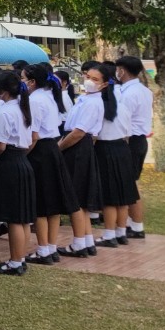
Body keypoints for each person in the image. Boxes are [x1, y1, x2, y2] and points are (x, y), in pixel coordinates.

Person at [0, 70, 37, 276]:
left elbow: (0, 145)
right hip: (22, 160)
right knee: (22, 218)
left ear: (1, 91)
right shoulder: (23, 107)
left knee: (13, 218)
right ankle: (20, 259)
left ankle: (15, 262)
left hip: (10, 163)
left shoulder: (5, 112)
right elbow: (31, 140)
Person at [23, 65, 78, 264]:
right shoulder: (48, 96)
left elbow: (34, 136)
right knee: (52, 204)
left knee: (41, 204)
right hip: (51, 149)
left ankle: (43, 250)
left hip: (40, 152)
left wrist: (23, 155)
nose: (22, 82)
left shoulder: (35, 100)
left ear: (32, 82)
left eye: (23, 78)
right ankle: (50, 247)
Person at [55, 67, 106, 258]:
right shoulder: (86, 99)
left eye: (95, 79)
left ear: (104, 84)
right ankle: (87, 240)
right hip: (78, 145)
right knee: (80, 199)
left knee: (75, 198)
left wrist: (59, 148)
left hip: (77, 146)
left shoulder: (93, 103)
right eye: (88, 76)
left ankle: (78, 244)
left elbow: (78, 132)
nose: (89, 81)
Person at [90, 62, 135, 247]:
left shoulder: (99, 106)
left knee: (109, 196)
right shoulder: (122, 106)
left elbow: (93, 134)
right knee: (122, 196)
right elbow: (128, 134)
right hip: (122, 149)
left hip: (105, 150)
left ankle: (109, 235)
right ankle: (121, 232)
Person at [114, 56, 152, 238]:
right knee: (130, 183)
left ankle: (137, 226)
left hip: (131, 141)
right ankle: (132, 223)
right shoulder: (143, 90)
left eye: (118, 70)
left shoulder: (128, 94)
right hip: (139, 140)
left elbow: (124, 121)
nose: (116, 73)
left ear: (122, 71)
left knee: (130, 185)